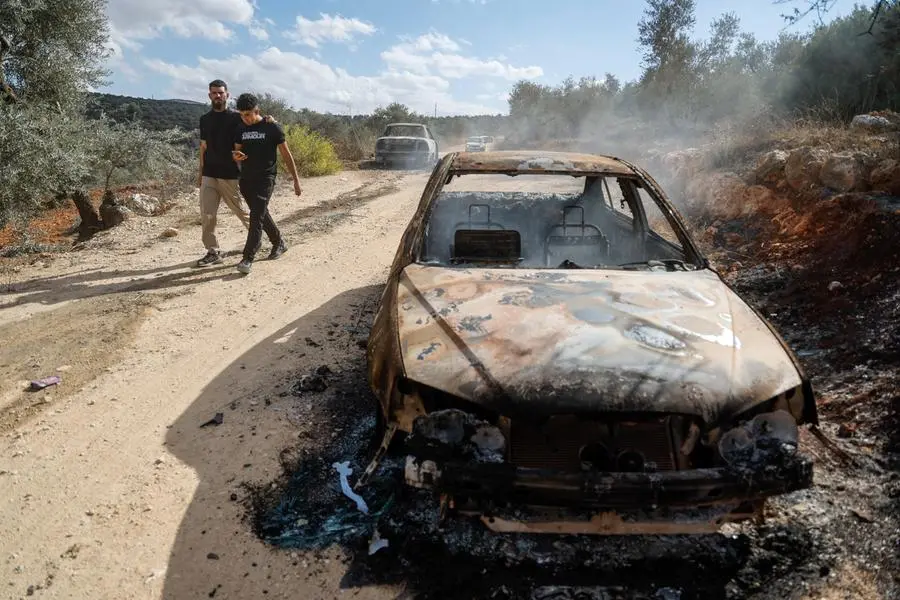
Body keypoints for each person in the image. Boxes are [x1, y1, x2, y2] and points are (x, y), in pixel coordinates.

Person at [232, 92, 302, 275]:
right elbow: (236, 152)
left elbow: (287, 155)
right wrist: (236, 156)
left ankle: (248, 258)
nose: (245, 118)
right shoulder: (240, 129)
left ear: (257, 110)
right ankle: (279, 242)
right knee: (261, 213)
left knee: (256, 217)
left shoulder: (272, 128)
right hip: (246, 180)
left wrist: (296, 180)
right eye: (242, 114)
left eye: (248, 114)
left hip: (266, 179)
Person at [196, 79, 252, 267]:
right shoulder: (205, 119)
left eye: (221, 92)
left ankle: (260, 239)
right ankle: (213, 251)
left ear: (227, 94)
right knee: (207, 214)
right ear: (209, 95)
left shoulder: (237, 118)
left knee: (241, 211)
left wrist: (269, 120)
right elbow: (203, 147)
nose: (218, 96)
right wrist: (200, 172)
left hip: (230, 175)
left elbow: (255, 129)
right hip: (209, 174)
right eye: (214, 93)